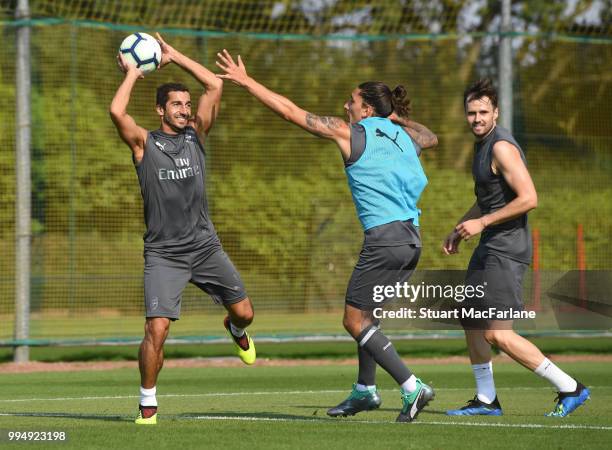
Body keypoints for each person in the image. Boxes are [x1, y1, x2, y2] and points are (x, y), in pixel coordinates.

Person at [216, 49, 438, 422]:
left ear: (366, 109)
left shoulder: (349, 131)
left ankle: (412, 386)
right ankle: (365, 390)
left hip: (385, 241)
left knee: (354, 321)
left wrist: (246, 81)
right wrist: (391, 118)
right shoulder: (404, 137)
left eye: (352, 101)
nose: (345, 105)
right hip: (411, 240)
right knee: (367, 317)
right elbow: (430, 137)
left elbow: (290, 112)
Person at [110, 35, 256, 425]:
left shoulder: (197, 136)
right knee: (156, 329)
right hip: (164, 254)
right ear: (160, 110)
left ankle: (234, 328)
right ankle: (147, 403)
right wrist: (133, 73)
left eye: (187, 105)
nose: (185, 109)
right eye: (176, 104)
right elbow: (116, 110)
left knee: (246, 313)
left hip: (206, 247)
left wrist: (174, 56)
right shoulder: (145, 143)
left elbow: (215, 84)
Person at [443, 78, 590, 417]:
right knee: (472, 319)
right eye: (471, 112)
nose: (476, 118)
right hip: (490, 244)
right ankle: (486, 400)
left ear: (496, 112)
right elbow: (489, 199)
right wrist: (461, 226)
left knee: (498, 334)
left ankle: (571, 387)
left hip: (506, 250)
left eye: (483, 112)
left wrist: (482, 224)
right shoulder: (482, 147)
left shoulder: (500, 147)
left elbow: (529, 198)